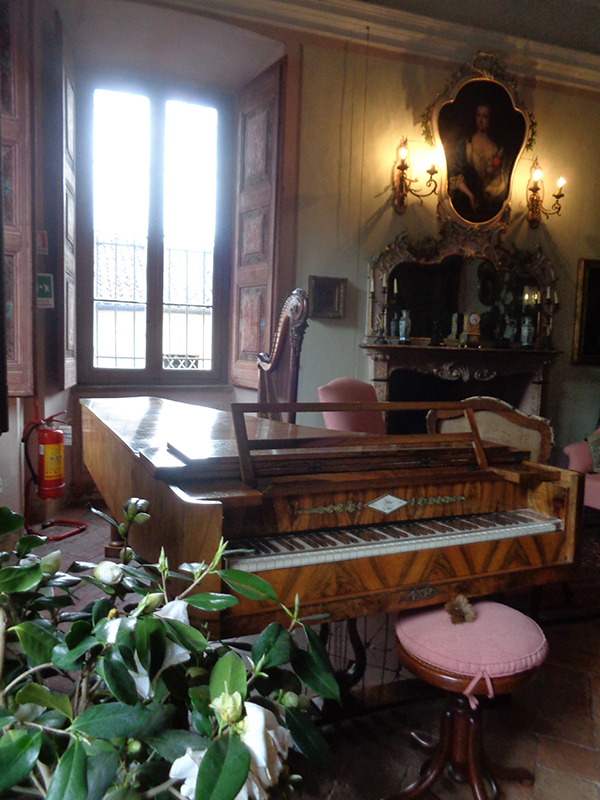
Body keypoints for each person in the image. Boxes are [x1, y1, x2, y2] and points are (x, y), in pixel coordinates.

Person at [448, 103, 508, 222]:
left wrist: (493, 175)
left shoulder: (497, 148)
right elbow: (455, 174)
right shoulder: (467, 144)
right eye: (478, 115)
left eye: (484, 116)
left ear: (490, 119)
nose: (480, 120)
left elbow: (500, 181)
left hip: (490, 207)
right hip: (467, 204)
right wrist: (470, 195)